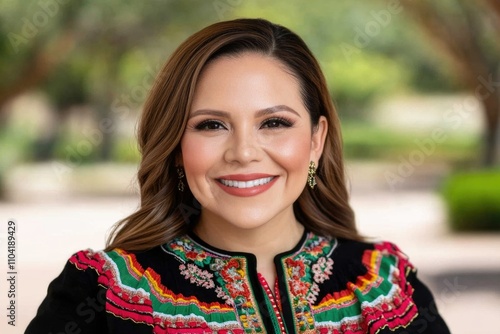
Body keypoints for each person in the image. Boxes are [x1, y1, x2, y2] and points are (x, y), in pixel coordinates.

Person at [26, 18, 450, 334]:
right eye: (211, 125)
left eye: (275, 123)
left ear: (316, 140)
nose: (244, 153)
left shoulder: (387, 289)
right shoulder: (101, 294)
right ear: (175, 146)